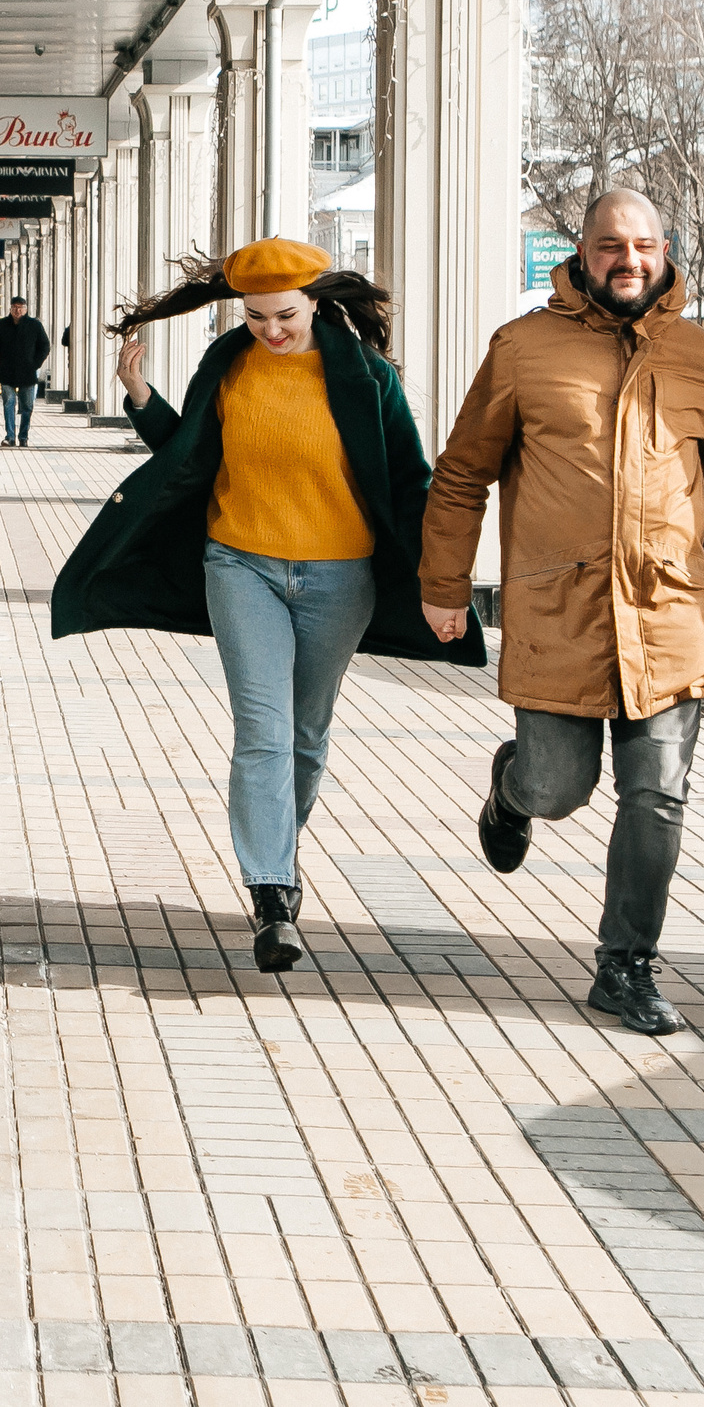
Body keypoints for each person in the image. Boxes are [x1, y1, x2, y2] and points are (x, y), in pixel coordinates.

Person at [51, 238, 484, 971]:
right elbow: (186, 453)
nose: (271, 330)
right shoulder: (228, 365)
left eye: (283, 315)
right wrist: (138, 397)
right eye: (255, 318)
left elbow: (410, 482)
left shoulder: (367, 377)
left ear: (316, 302)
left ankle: (276, 845)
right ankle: (273, 890)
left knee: (306, 737)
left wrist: (442, 584)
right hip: (239, 565)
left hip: (340, 579)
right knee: (263, 728)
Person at [419, 189, 704, 1036]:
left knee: (656, 795)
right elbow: (464, 472)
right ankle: (512, 794)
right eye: (612, 244)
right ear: (582, 252)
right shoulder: (522, 349)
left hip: (670, 617)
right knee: (558, 787)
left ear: (664, 252)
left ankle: (626, 965)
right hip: (561, 617)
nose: (630, 259)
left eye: (645, 244)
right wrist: (444, 588)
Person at [0, 296, 52, 447]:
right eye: (14, 307)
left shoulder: (34, 325)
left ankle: (23, 436)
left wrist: (35, 364)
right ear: (10, 308)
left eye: (20, 308)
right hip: (7, 371)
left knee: (27, 406)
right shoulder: (1, 325)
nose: (17, 311)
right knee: (8, 403)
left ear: (25, 309)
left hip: (27, 372)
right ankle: (10, 436)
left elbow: (44, 346)